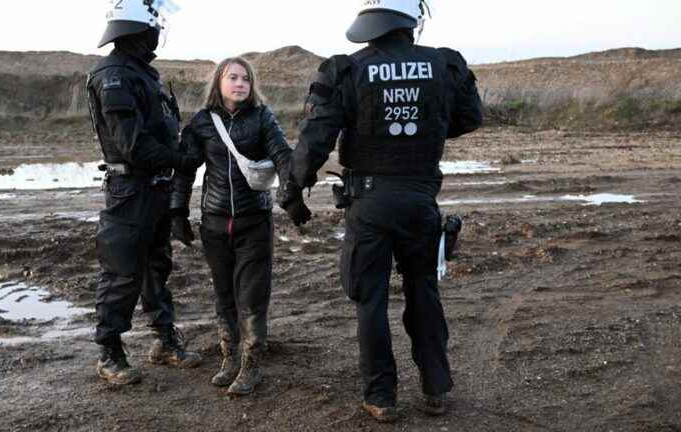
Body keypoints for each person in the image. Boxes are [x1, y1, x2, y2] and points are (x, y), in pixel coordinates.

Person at [278, 0, 483, 422]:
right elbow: (470, 117)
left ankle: (381, 397)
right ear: (412, 18)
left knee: (370, 300)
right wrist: (428, 124)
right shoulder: (445, 65)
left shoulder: (346, 69)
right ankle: (436, 388)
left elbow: (315, 138)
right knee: (423, 290)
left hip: (369, 202)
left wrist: (293, 190)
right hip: (420, 197)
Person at [86, 0, 201, 386]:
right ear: (139, 30)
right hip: (130, 189)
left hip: (155, 187)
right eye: (154, 28)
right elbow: (133, 144)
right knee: (121, 272)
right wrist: (181, 159)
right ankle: (109, 352)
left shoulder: (143, 73)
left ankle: (164, 341)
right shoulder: (114, 75)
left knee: (157, 266)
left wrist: (175, 162)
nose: (157, 35)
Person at [174, 57, 299, 396]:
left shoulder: (262, 118)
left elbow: (283, 155)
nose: (240, 83)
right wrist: (177, 212)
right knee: (223, 293)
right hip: (214, 223)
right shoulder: (201, 122)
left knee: (252, 296)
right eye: (233, 77)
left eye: (246, 78)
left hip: (253, 222)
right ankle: (229, 358)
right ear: (219, 82)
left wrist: (292, 196)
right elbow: (185, 169)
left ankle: (251, 364)